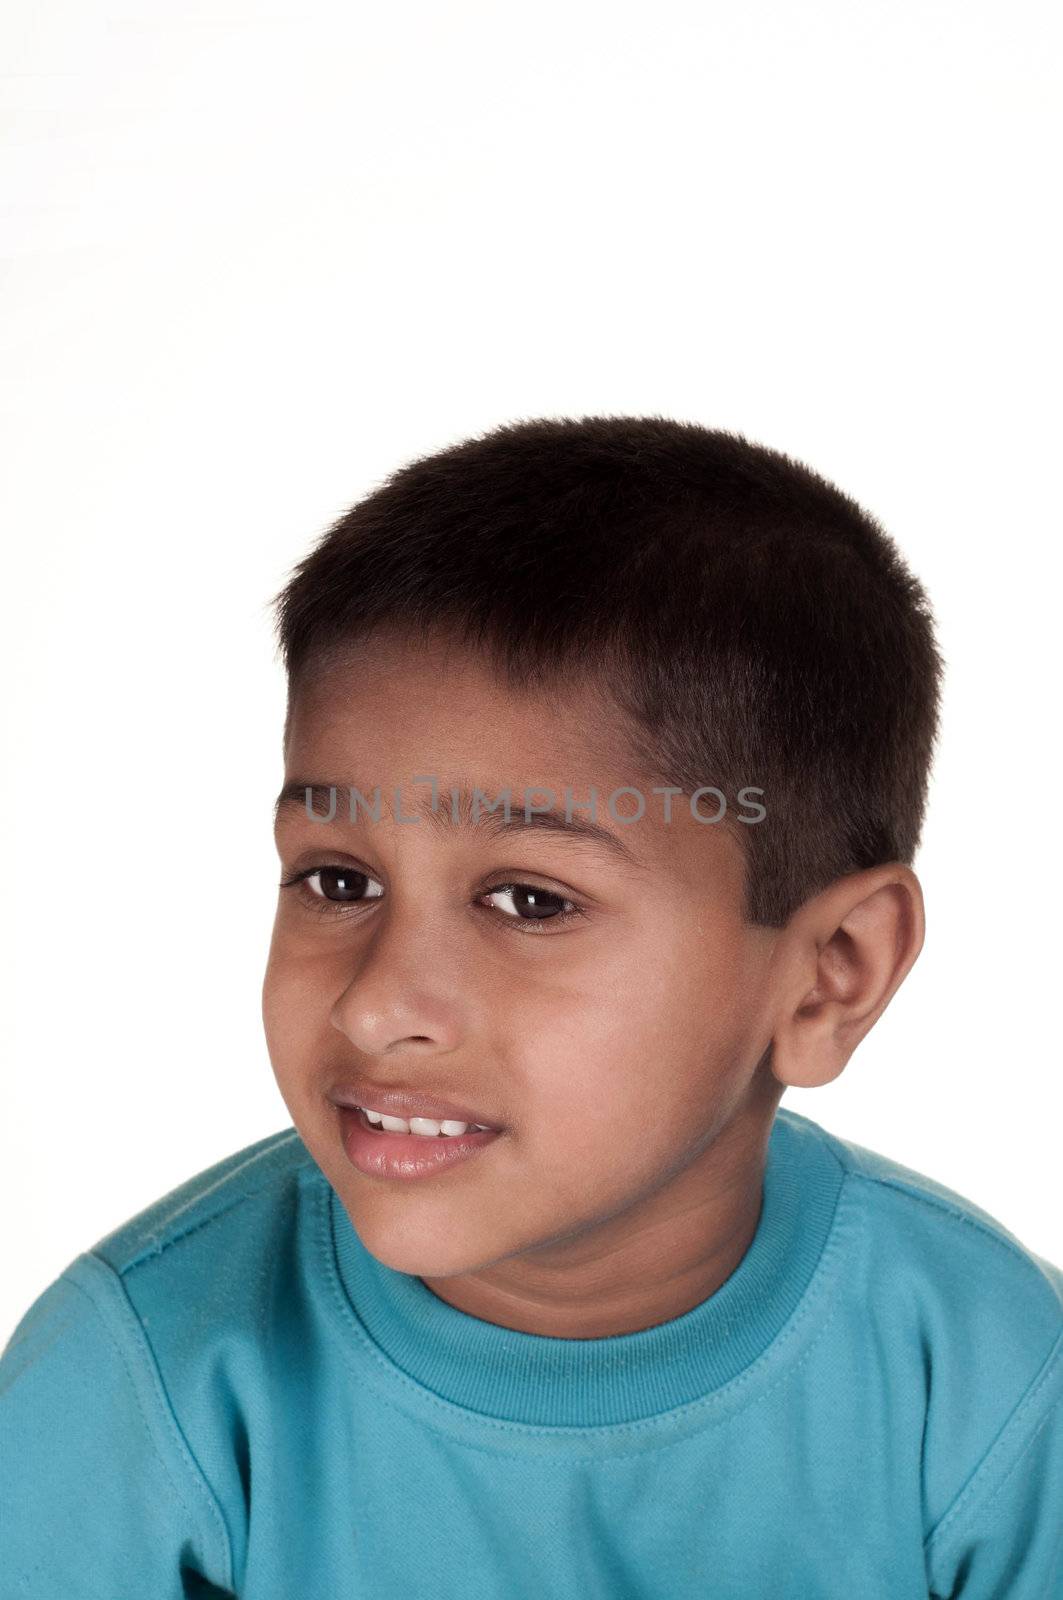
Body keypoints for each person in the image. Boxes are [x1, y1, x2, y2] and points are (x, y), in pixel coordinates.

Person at [2, 416, 1060, 1599]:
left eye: (528, 899)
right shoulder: (141, 1380)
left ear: (828, 975)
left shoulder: (992, 1384)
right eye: (338, 880)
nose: (378, 1005)